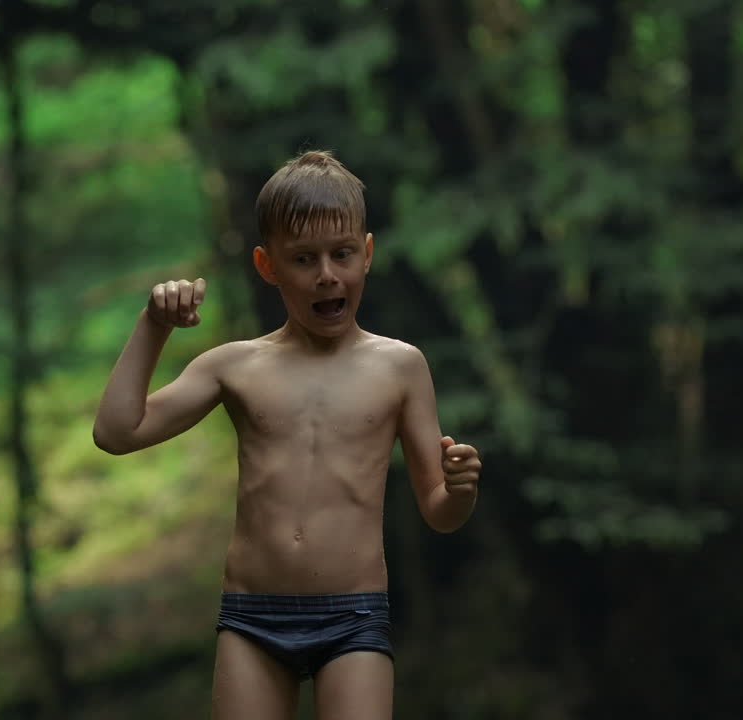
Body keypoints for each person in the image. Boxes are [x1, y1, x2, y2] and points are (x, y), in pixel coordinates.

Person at [93, 150, 482, 720]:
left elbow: (438, 511)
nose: (327, 274)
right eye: (303, 259)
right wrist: (153, 326)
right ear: (267, 265)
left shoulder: (400, 368)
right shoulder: (235, 367)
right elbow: (116, 431)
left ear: (367, 254)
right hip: (253, 619)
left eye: (342, 254)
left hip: (354, 618)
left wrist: (461, 491)